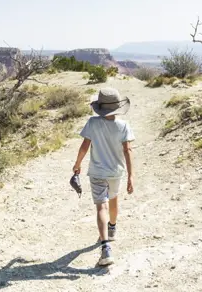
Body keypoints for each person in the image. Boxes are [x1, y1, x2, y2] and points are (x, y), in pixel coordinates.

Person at [73, 87, 135, 267]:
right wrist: (131, 176)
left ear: (100, 107)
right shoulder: (123, 125)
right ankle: (112, 228)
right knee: (114, 200)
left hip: (97, 172)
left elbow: (85, 146)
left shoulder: (92, 123)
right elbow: (128, 150)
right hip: (116, 172)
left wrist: (77, 164)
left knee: (101, 206)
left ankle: (106, 248)